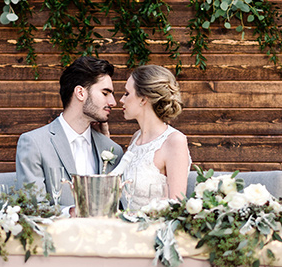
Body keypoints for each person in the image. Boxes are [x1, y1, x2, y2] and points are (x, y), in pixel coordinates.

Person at [16, 56, 124, 201]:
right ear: (80, 93)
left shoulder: (112, 150)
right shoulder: (34, 143)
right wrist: (70, 212)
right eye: (105, 93)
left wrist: (105, 141)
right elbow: (33, 208)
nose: (113, 102)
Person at [111, 64, 191, 211]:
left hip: (156, 229)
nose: (121, 100)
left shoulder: (174, 141)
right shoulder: (136, 138)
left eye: (127, 93)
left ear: (143, 99)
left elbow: (176, 206)